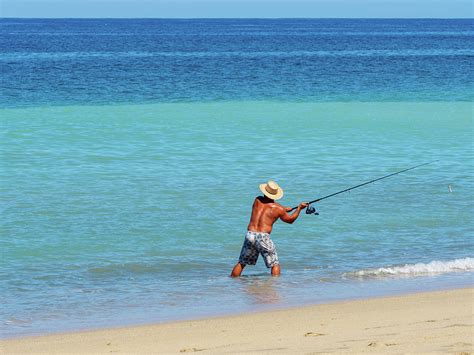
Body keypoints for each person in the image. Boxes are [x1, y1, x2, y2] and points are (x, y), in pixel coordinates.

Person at [230, 180, 308, 277]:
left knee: (242, 263)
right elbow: (290, 220)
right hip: (263, 237)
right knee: (274, 264)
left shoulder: (257, 200)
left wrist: (284, 209)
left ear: (265, 191)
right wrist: (299, 208)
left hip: (250, 234)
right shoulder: (278, 209)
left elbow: (270, 206)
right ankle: (275, 286)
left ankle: (232, 283)